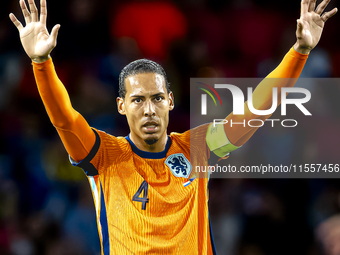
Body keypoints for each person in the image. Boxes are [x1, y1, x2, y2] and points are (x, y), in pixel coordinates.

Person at [9, 0, 337, 254]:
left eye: (156, 98)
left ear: (170, 101)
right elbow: (65, 118)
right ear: (122, 106)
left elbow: (256, 110)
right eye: (137, 100)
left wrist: (300, 52)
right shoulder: (104, 155)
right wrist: (41, 63)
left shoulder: (198, 147)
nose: (149, 109)